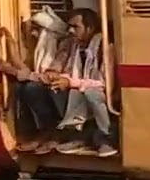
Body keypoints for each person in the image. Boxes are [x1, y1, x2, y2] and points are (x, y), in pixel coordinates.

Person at [0, 7, 73, 154]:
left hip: (64, 89)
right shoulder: (41, 48)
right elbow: (25, 68)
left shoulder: (63, 45)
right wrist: (9, 41)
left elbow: (47, 76)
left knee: (31, 88)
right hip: (49, 87)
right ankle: (36, 134)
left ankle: (52, 133)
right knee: (21, 87)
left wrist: (13, 71)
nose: (32, 33)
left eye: (36, 29)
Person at [48, 8, 118, 157]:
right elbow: (70, 72)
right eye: (70, 27)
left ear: (90, 28)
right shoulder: (77, 46)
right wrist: (59, 78)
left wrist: (71, 83)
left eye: (76, 27)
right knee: (56, 89)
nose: (71, 31)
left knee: (91, 93)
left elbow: (103, 83)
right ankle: (77, 135)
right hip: (82, 89)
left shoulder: (105, 48)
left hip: (104, 94)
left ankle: (107, 139)